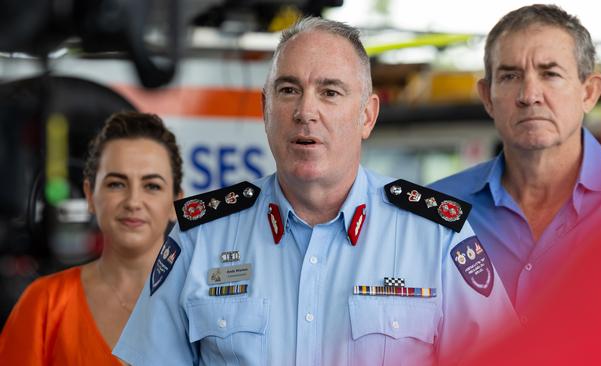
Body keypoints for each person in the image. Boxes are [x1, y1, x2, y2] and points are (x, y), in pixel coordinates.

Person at [113, 17, 517, 366]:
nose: (306, 112)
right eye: (289, 90)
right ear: (265, 109)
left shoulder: (436, 237)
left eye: (330, 92)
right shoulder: (200, 235)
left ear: (367, 115)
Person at [430, 4, 601, 364]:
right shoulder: (437, 210)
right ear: (487, 96)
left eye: (550, 74)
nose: (529, 95)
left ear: (589, 92)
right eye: (510, 76)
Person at [0, 111, 184, 365]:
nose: (133, 202)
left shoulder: (207, 302)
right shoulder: (45, 302)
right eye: (116, 184)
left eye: (152, 186)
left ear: (177, 201)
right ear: (89, 195)